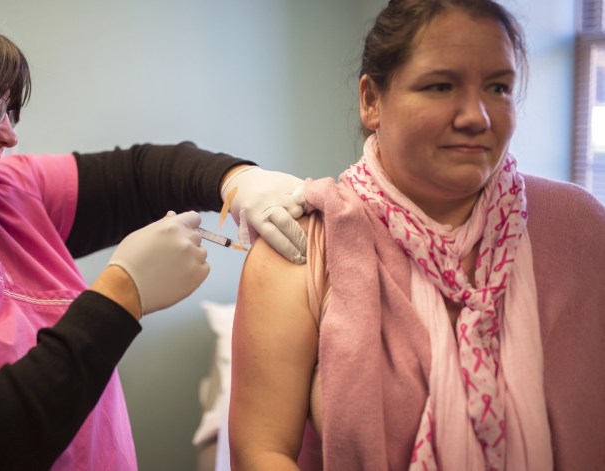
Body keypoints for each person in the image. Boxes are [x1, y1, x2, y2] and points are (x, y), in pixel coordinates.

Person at [0, 5, 310, 470]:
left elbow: (140, 174)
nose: (10, 137)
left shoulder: (6, 193)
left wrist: (238, 180)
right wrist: (119, 297)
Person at [229, 0, 605, 469]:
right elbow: (261, 452)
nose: (477, 116)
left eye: (498, 87)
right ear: (371, 100)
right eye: (441, 86)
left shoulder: (580, 229)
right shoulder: (302, 250)